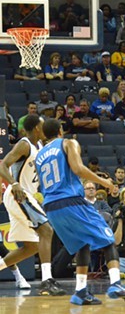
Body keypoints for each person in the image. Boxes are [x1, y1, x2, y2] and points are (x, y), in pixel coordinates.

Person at [35, 119, 125, 305]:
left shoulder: (39, 155)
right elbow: (77, 168)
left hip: (51, 208)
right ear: (61, 130)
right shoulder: (68, 143)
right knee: (108, 240)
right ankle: (116, 284)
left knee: (81, 245)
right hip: (72, 201)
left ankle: (80, 292)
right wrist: (105, 182)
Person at [0, 115, 65, 296]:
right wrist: (14, 184)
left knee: (32, 247)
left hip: (27, 196)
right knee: (46, 231)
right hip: (18, 195)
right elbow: (3, 165)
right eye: (43, 125)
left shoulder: (39, 147)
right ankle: (46, 281)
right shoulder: (24, 144)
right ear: (37, 128)